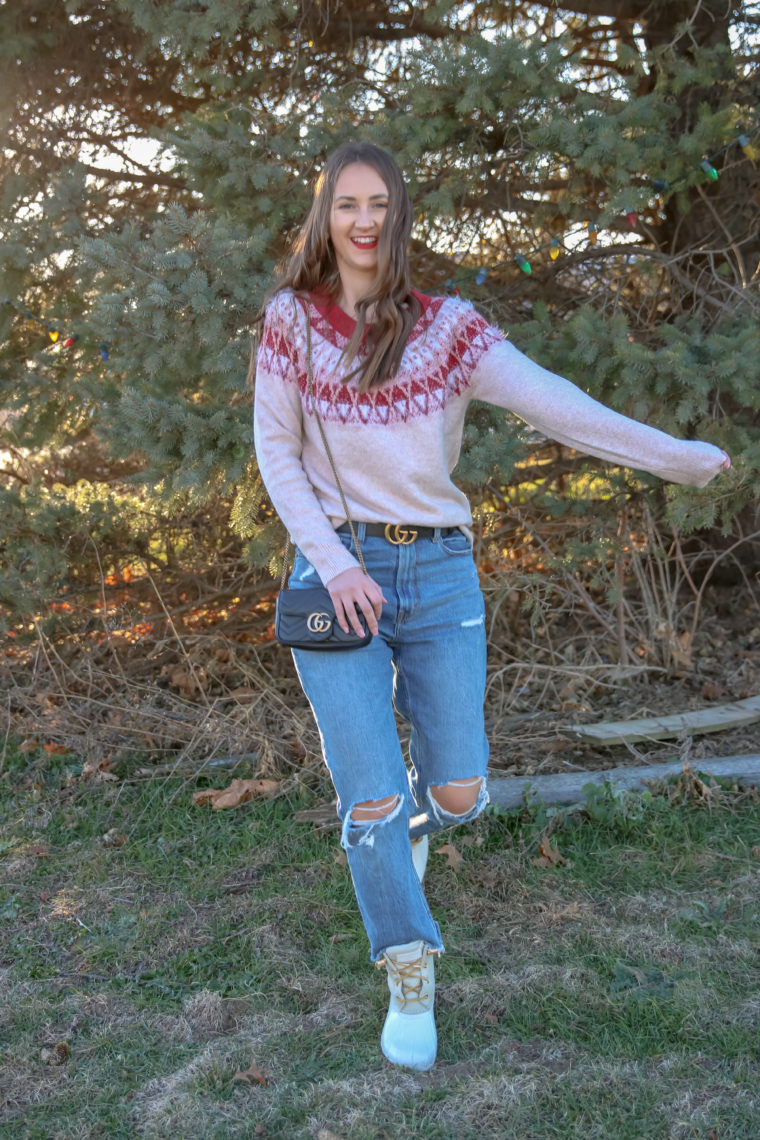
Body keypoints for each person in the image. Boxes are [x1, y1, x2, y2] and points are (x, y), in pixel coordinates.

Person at [252, 140, 730, 1071]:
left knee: (460, 793)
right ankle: (408, 967)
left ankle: (411, 840)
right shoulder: (291, 324)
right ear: (325, 217)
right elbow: (278, 454)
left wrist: (672, 454)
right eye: (345, 204)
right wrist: (333, 564)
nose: (361, 221)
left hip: (439, 575)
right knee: (372, 796)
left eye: (378, 204)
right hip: (335, 576)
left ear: (397, 217)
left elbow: (559, 404)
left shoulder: (450, 330)